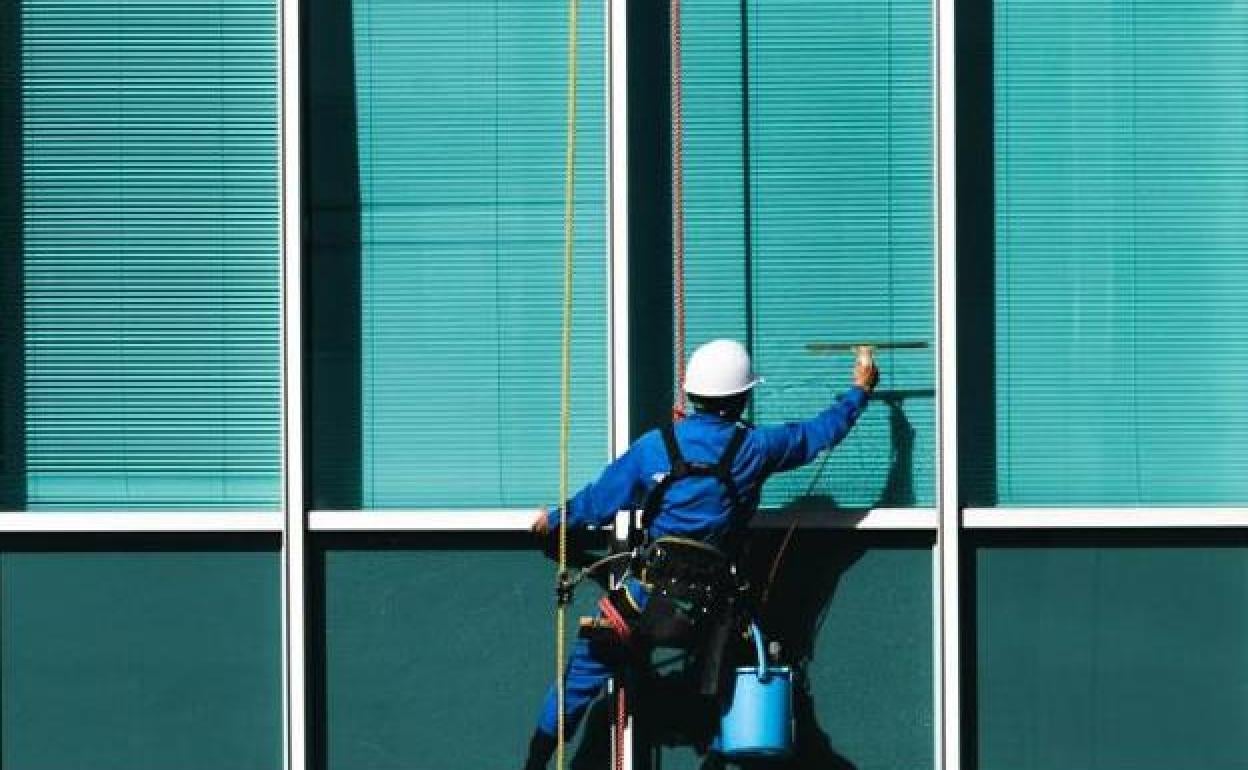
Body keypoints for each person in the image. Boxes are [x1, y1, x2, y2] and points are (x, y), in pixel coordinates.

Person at [523, 338, 879, 770]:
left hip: (643, 596)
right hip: (712, 609)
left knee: (580, 680)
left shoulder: (654, 448)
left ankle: (535, 764)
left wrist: (554, 521)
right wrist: (860, 390)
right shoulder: (757, 449)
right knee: (737, 692)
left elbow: (598, 501)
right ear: (743, 396)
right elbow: (821, 433)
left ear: (692, 394)